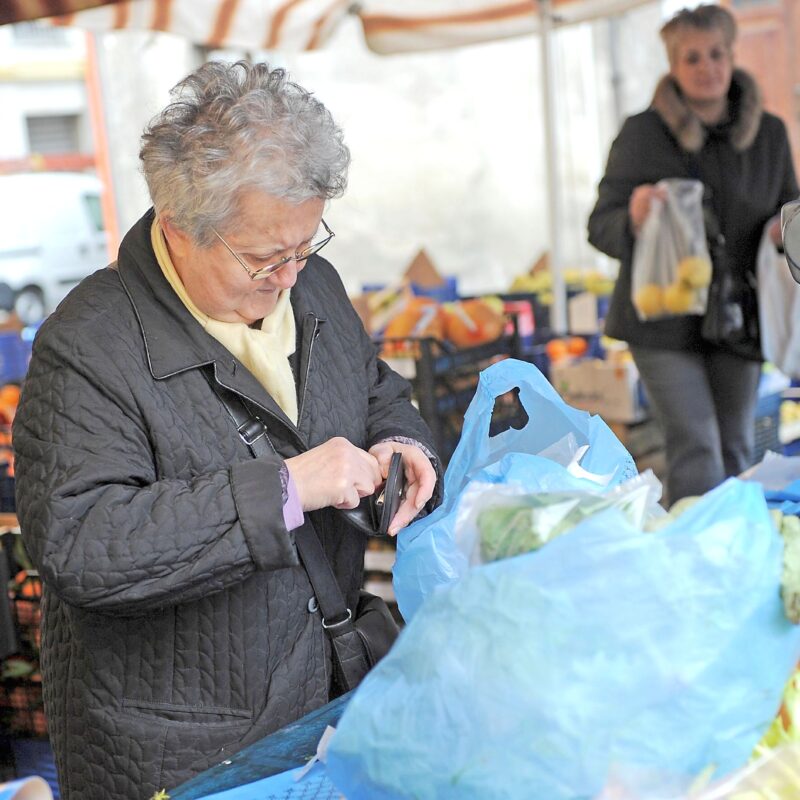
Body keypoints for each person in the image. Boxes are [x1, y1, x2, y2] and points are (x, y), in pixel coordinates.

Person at [12, 61, 441, 800]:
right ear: (179, 227)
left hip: (323, 700)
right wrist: (284, 490)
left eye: (308, 243)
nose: (290, 273)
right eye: (264, 257)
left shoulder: (315, 286)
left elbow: (375, 392)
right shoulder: (87, 345)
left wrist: (402, 443)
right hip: (183, 754)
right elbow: (80, 542)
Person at [588, 4, 798, 504]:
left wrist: (780, 232)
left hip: (739, 317)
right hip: (662, 322)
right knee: (697, 443)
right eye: (692, 58)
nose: (707, 67)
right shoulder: (642, 132)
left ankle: (736, 553)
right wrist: (633, 216)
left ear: (732, 55)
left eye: (716, 54)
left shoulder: (768, 133)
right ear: (673, 65)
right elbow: (600, 225)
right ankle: (694, 561)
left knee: (737, 446)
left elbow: (790, 213)